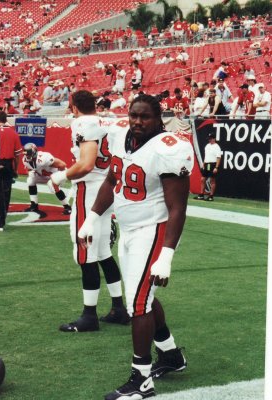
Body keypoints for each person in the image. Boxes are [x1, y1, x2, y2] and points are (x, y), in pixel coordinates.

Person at [78, 94, 194, 399]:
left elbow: (178, 207)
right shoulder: (120, 135)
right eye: (134, 116)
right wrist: (92, 217)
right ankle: (170, 355)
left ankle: (141, 379)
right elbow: (110, 180)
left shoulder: (169, 148)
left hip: (155, 229)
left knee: (138, 304)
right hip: (129, 229)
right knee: (143, 295)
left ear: (159, 118)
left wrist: (166, 254)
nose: (138, 122)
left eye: (145, 117)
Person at [49, 90, 129, 332]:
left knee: (85, 253)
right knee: (103, 251)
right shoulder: (108, 120)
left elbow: (86, 164)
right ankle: (119, 308)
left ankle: (89, 315)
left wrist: (60, 175)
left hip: (89, 191)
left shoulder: (82, 122)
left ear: (74, 107)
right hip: (108, 190)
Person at [22, 143, 72, 214]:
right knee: (30, 180)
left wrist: (56, 177)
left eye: (29, 154)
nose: (27, 156)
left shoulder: (43, 158)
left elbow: (63, 165)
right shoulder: (25, 160)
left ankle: (67, 207)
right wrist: (34, 173)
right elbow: (29, 170)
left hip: (57, 173)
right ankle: (34, 206)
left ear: (34, 152)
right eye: (26, 154)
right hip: (45, 175)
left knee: (51, 184)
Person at [0, 111, 22, 231]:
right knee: (5, 193)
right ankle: (1, 221)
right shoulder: (13, 133)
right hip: (7, 165)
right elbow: (17, 155)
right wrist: (15, 169)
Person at [194, 132, 222, 202]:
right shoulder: (207, 146)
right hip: (207, 164)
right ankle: (201, 195)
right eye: (209, 139)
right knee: (203, 179)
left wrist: (216, 167)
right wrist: (203, 164)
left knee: (212, 180)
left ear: (214, 139)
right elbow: (206, 156)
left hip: (213, 164)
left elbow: (218, 157)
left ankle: (211, 196)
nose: (209, 140)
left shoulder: (217, 147)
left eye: (210, 139)